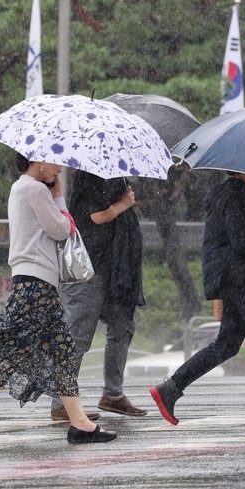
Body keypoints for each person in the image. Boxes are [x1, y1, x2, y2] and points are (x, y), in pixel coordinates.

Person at [0, 154, 117, 445]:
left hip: (34, 281)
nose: (60, 168)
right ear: (39, 162)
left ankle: (80, 424)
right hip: (35, 283)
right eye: (55, 163)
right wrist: (60, 197)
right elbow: (62, 230)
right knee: (15, 349)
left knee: (61, 350)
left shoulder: (21, 187)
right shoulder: (36, 190)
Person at [149, 172, 245, 427]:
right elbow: (243, 243)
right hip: (242, 278)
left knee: (227, 344)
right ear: (242, 169)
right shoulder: (236, 195)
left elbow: (244, 237)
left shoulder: (237, 193)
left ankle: (171, 388)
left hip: (236, 278)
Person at [50, 171, 147, 421]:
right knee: (79, 333)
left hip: (116, 269)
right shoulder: (90, 175)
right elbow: (95, 216)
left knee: (122, 327)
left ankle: (113, 394)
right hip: (89, 267)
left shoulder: (117, 176)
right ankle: (61, 402)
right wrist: (123, 204)